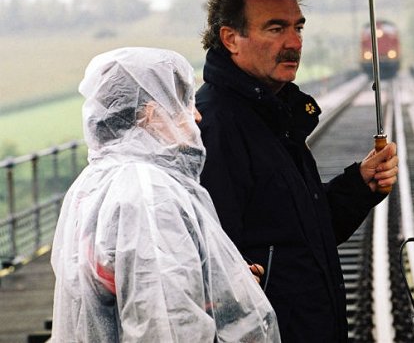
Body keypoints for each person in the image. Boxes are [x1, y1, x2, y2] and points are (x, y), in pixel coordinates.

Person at [195, 0, 398, 342]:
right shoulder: (217, 126)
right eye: (276, 28)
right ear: (230, 38)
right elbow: (219, 266)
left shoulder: (276, 111)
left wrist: (359, 184)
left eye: (298, 27)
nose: (294, 42)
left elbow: (297, 235)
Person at [51, 47, 280, 342]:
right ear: (152, 115)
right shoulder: (148, 195)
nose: (197, 116)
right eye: (185, 104)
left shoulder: (93, 183)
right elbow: (168, 324)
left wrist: (221, 285)